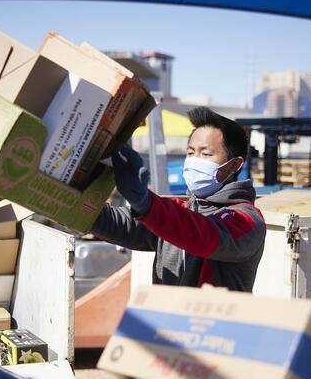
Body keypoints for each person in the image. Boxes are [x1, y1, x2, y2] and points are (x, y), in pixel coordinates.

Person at [90, 106, 266, 292]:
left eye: (206, 154)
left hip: (211, 321)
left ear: (235, 165)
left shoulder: (246, 220)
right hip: (167, 319)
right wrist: (73, 200)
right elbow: (120, 224)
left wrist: (146, 204)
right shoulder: (179, 215)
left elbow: (203, 235)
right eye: (190, 153)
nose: (194, 160)